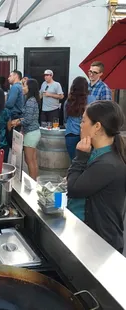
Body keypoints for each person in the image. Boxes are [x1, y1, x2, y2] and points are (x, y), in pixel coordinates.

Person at [67, 100, 126, 253]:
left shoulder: (107, 163)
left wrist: (79, 158)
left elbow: (74, 188)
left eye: (84, 121)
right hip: (88, 234)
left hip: (101, 242)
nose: (81, 125)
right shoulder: (97, 153)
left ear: (97, 127)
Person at [12, 79, 41, 180]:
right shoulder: (32, 100)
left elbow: (28, 120)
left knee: (29, 160)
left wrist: (17, 122)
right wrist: (19, 120)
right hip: (34, 132)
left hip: (31, 133)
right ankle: (35, 181)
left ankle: (33, 183)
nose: (22, 88)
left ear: (30, 88)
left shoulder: (30, 101)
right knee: (32, 160)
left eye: (24, 86)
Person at [64, 77, 96, 161]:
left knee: (74, 162)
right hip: (87, 135)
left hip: (71, 134)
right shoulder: (92, 99)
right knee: (86, 162)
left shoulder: (69, 101)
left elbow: (65, 118)